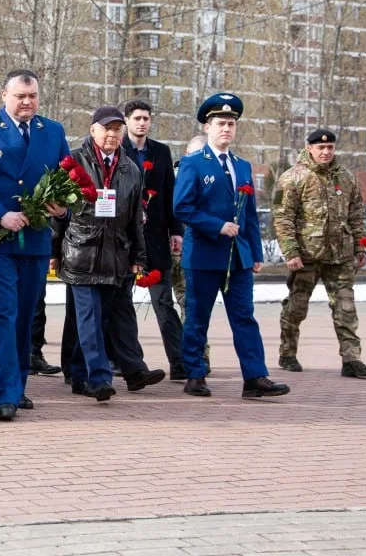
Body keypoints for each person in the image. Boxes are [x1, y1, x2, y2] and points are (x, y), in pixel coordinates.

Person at [0, 69, 70, 421]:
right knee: (3, 313)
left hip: (35, 238)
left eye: (32, 96)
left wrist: (63, 206)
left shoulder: (52, 131)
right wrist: (0, 215)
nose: (26, 102)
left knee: (25, 315)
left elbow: (67, 180)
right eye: (20, 96)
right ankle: (3, 394)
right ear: (3, 95)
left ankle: (18, 386)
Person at [173, 93, 290, 399]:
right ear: (207, 127)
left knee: (244, 316)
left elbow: (248, 212)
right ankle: (195, 375)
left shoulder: (242, 165)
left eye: (230, 124)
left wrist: (255, 251)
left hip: (237, 256)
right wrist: (216, 225)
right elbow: (182, 207)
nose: (226, 129)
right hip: (203, 253)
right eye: (220, 123)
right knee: (198, 317)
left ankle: (255, 377)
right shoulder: (193, 163)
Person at [55, 106, 164, 403]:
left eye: (117, 128)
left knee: (98, 320)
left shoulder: (130, 169)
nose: (112, 134)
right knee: (89, 317)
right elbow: (57, 211)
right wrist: (54, 252)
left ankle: (79, 373)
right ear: (93, 131)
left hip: (115, 254)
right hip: (81, 253)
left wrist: (139, 257)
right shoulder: (73, 162)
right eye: (106, 128)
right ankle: (100, 378)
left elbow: (135, 218)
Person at [274, 129, 366, 379]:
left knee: (346, 308)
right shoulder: (292, 178)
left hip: (340, 256)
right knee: (297, 308)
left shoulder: (347, 177)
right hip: (306, 256)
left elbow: (356, 215)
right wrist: (290, 251)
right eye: (321, 148)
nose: (326, 152)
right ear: (309, 148)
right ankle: (287, 354)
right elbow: (281, 217)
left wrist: (360, 246)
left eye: (330, 147)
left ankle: (351, 359)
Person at [121, 99, 186, 380]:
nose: (142, 123)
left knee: (163, 303)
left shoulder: (160, 152)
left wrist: (176, 231)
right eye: (137, 118)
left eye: (146, 118)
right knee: (122, 304)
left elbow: (170, 193)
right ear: (126, 121)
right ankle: (130, 362)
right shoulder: (117, 150)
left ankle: (180, 362)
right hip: (123, 241)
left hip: (156, 240)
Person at [173, 135, 211, 375]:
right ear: (186, 153)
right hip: (166, 248)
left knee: (191, 305)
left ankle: (199, 357)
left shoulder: (213, 177)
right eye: (195, 153)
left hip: (192, 251)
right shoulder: (171, 175)